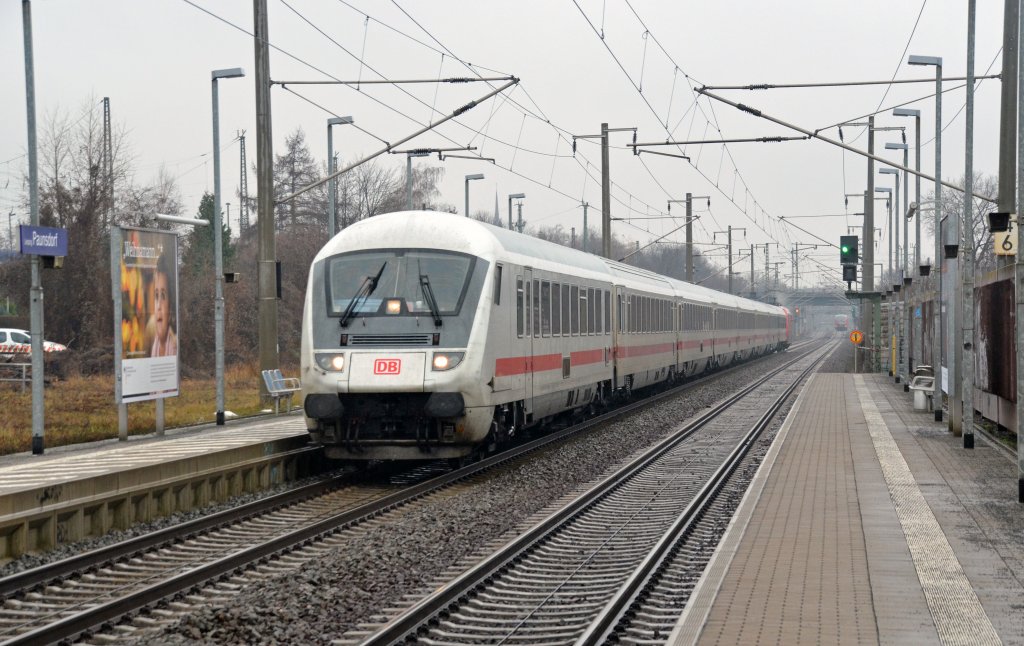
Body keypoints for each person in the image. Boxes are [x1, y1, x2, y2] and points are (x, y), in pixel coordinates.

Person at [150, 252, 177, 357]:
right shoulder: (155, 345)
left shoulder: (175, 347)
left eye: (163, 295)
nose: (158, 306)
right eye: (156, 296)